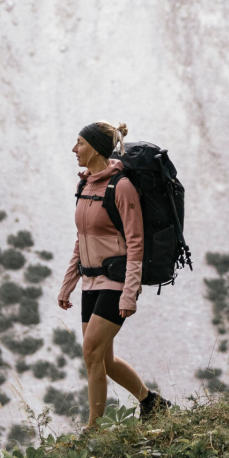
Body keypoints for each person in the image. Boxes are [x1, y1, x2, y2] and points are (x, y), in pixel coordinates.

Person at [56, 121, 171, 428]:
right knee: (104, 361)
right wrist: (68, 285)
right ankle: (152, 402)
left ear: (94, 148)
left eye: (79, 143)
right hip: (90, 282)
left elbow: (136, 243)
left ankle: (94, 429)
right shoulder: (85, 185)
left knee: (91, 352)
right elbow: (81, 239)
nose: (74, 149)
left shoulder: (122, 187)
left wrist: (129, 293)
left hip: (115, 282)